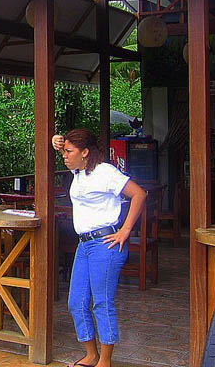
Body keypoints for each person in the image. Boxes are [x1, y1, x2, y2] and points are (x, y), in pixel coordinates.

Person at [52, 129, 147, 367]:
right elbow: (60, 148)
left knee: (102, 302)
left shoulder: (105, 172)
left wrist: (125, 230)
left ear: (85, 152)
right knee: (76, 302)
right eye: (64, 152)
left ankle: (105, 361)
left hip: (105, 244)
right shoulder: (79, 172)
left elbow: (139, 194)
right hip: (84, 245)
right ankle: (91, 354)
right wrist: (56, 142)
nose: (65, 156)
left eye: (69, 152)